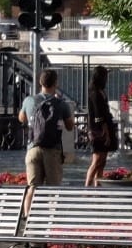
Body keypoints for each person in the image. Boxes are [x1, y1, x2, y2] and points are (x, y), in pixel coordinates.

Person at [20, 67, 75, 212]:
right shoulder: (61, 104)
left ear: (40, 82)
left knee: (32, 187)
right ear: (55, 83)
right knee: (53, 189)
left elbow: (22, 118)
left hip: (33, 148)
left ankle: (27, 219)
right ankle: (51, 220)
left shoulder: (29, 100)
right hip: (52, 150)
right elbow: (70, 127)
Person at [85, 66, 116, 187]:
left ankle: (98, 185)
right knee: (97, 160)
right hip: (98, 130)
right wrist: (106, 133)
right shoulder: (95, 93)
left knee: (102, 161)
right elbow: (98, 115)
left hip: (102, 127)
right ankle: (87, 187)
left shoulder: (99, 91)